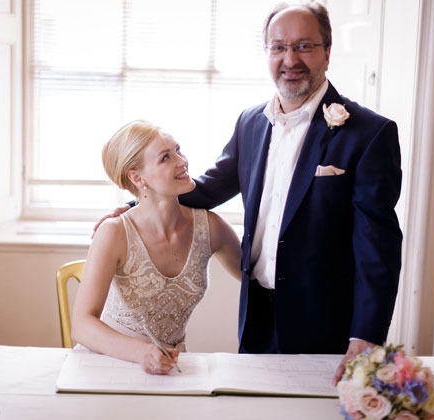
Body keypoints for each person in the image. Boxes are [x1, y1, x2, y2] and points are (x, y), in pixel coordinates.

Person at [95, 2, 402, 385]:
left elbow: (379, 249)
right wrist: (132, 206)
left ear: (327, 51)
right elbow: (204, 190)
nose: (290, 59)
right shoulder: (250, 123)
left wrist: (366, 337)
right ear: (267, 53)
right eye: (278, 47)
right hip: (257, 318)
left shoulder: (369, 134)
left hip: (327, 323)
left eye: (304, 46)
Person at [72, 120, 241, 375]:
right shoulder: (114, 232)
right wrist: (142, 353)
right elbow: (82, 325)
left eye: (178, 150)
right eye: (165, 158)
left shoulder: (211, 228)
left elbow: (260, 279)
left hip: (170, 367)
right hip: (108, 363)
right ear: (137, 177)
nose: (182, 161)